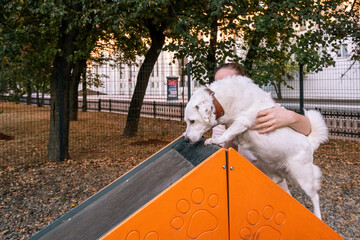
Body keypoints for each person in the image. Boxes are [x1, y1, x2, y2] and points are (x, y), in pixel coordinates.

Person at [212, 63, 312, 194]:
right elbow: (224, 163)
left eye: (226, 84)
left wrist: (291, 117)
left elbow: (308, 131)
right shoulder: (220, 124)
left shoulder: (265, 109)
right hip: (241, 191)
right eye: (216, 84)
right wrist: (232, 132)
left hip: (273, 190)